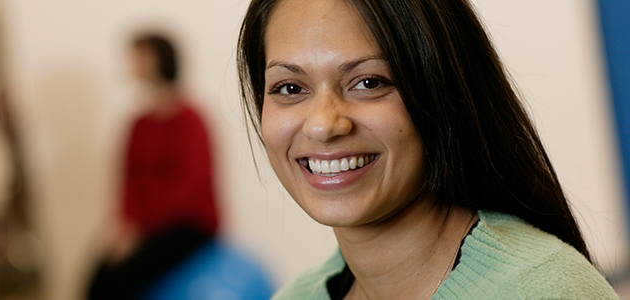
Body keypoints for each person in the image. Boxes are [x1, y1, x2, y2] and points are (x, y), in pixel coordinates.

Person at [236, 0, 620, 299]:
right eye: (289, 88)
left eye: (368, 82)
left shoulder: (540, 291)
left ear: (441, 90)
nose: (322, 124)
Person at [87, 33, 220, 300]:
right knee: (97, 280)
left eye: (139, 56)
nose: (132, 64)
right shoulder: (137, 124)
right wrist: (124, 226)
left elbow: (190, 185)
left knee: (123, 279)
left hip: (189, 224)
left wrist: (143, 230)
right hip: (144, 228)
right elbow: (128, 182)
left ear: (160, 60)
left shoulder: (190, 118)